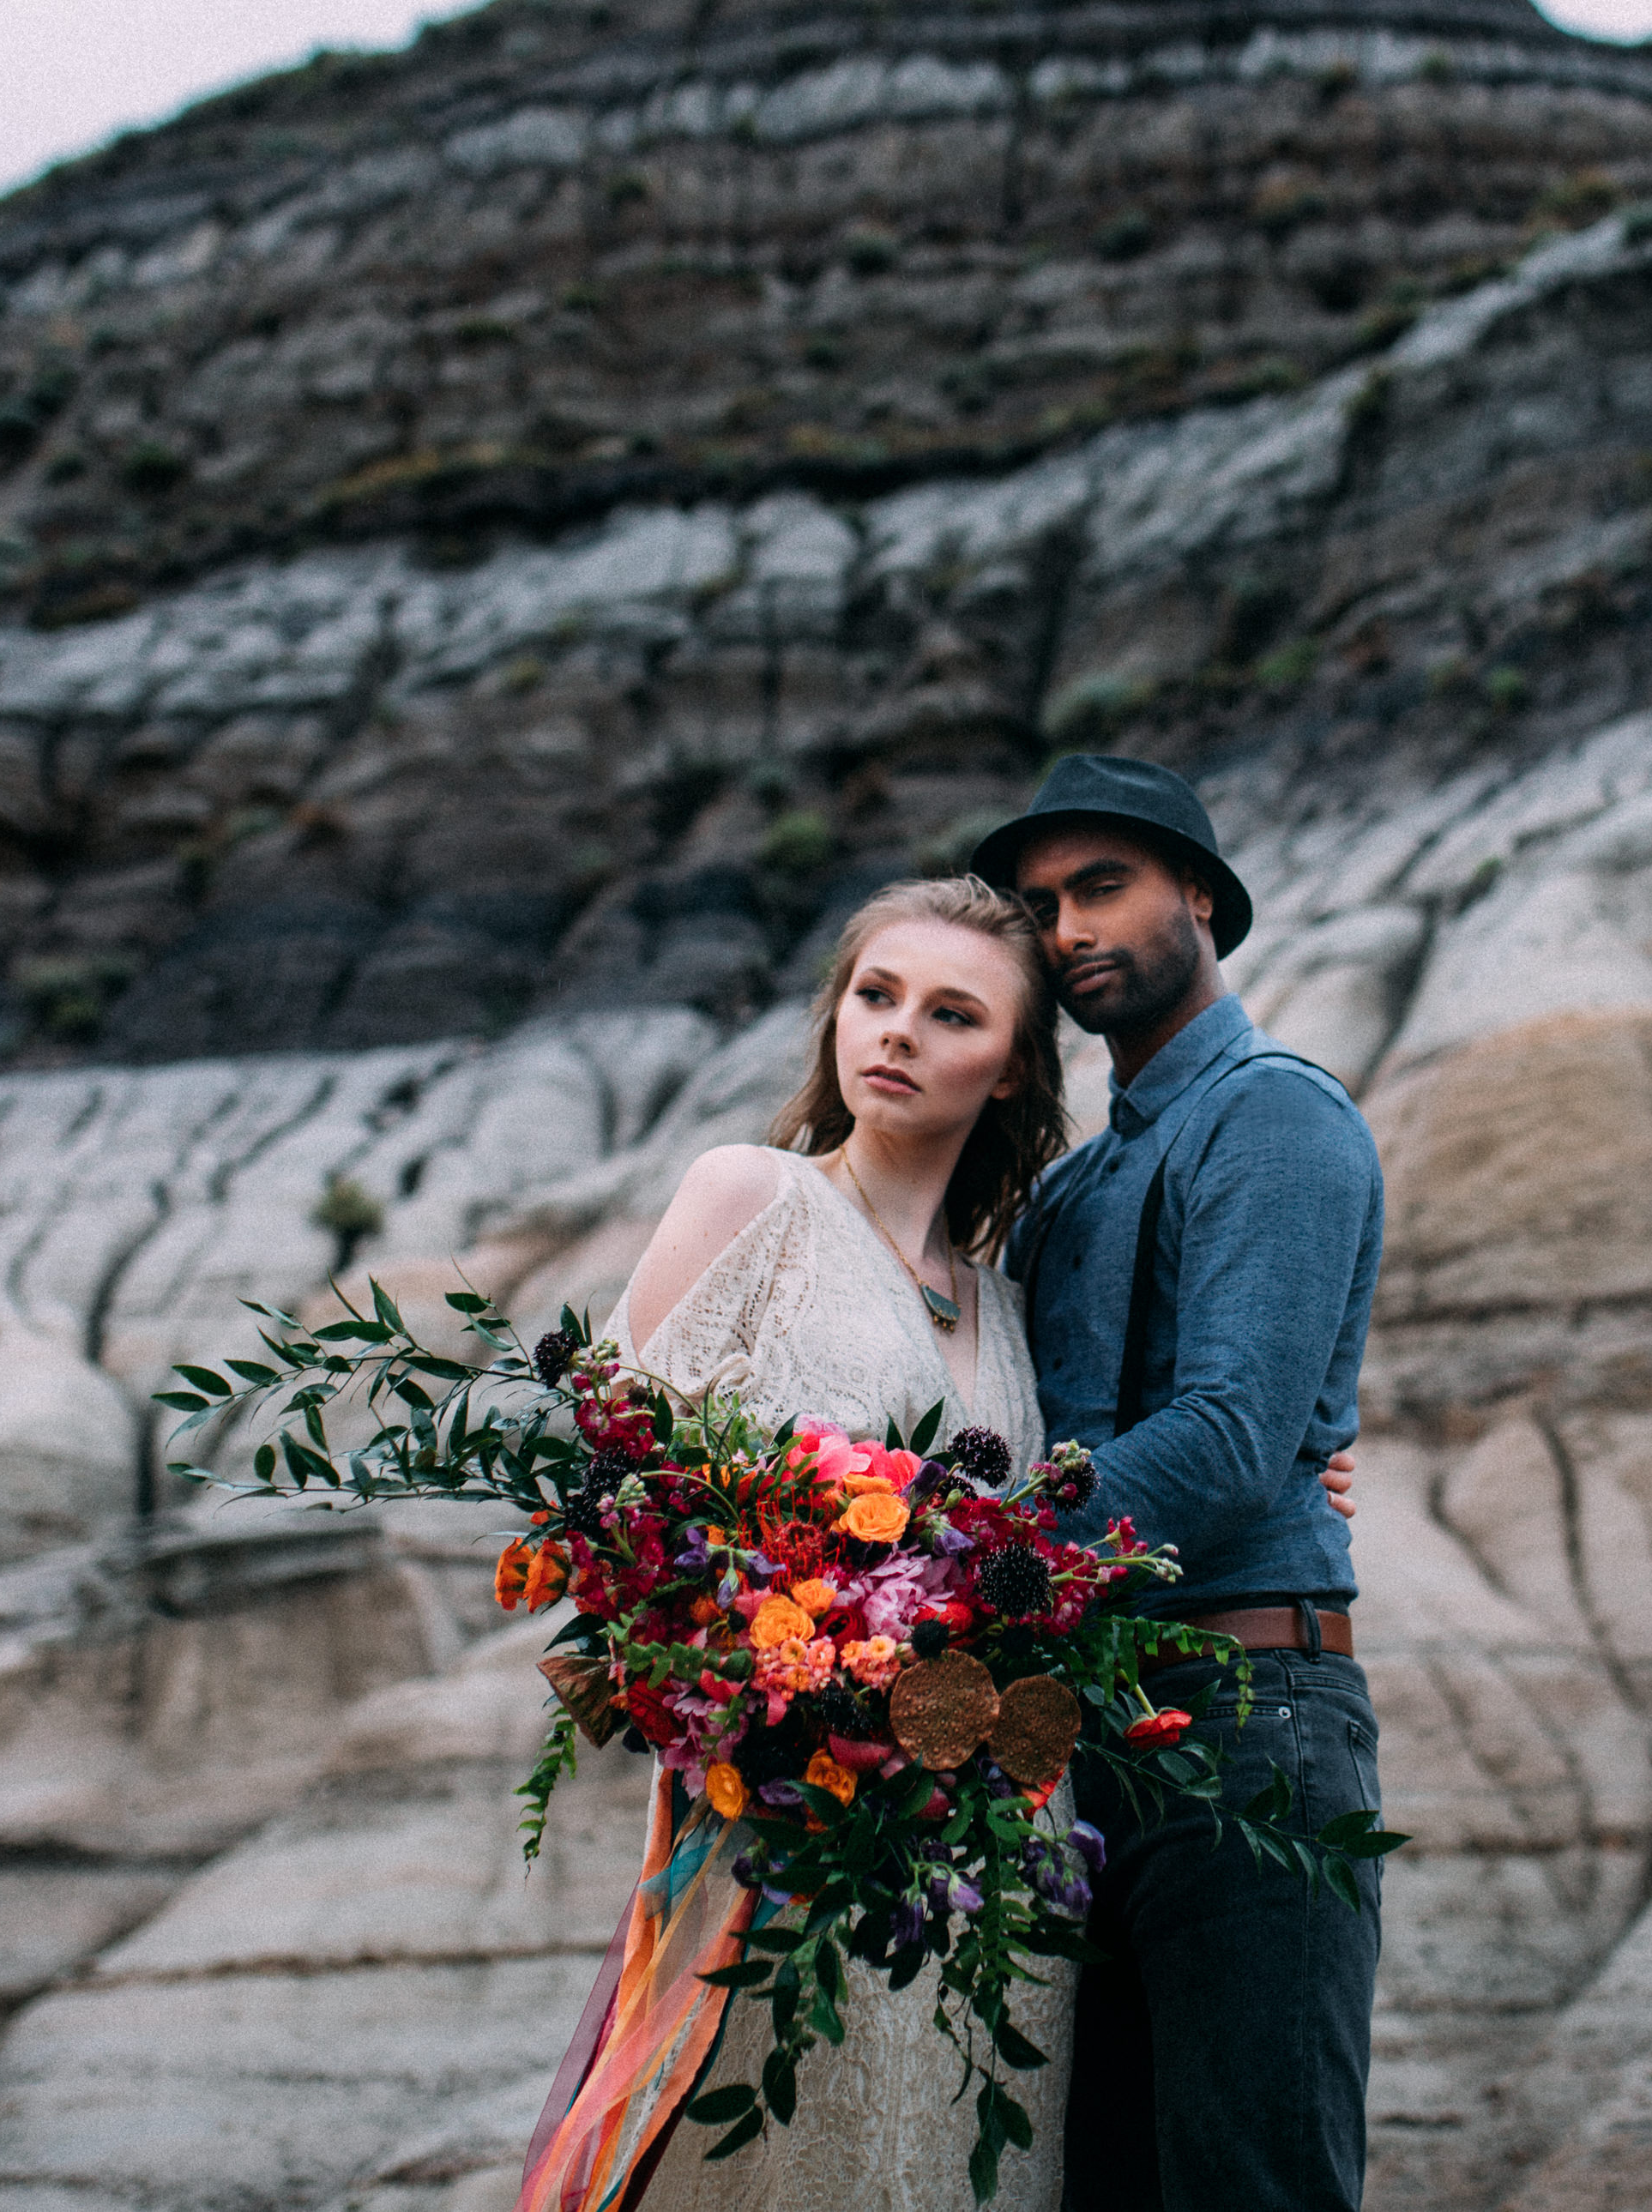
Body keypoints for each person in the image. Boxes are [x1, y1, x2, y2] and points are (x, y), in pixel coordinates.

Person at [523, 870, 1366, 2210]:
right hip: (791, 1832)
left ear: (1016, 1075)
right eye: (875, 996)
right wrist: (784, 1655)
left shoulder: (1012, 1307)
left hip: (997, 1865)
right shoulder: (751, 1198)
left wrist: (1289, 1476)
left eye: (951, 1014)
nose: (899, 1032)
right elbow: (608, 1507)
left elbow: (1165, 1450)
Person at [974, 755, 1389, 2212]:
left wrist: (960, 1579)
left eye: (1103, 887)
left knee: (1249, 2187)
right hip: (1077, 1744)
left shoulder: (1275, 1116)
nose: (1069, 928)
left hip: (1246, 1721)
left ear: (1198, 897)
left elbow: (1225, 1437)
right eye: (1040, 906)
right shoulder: (1078, 1186)